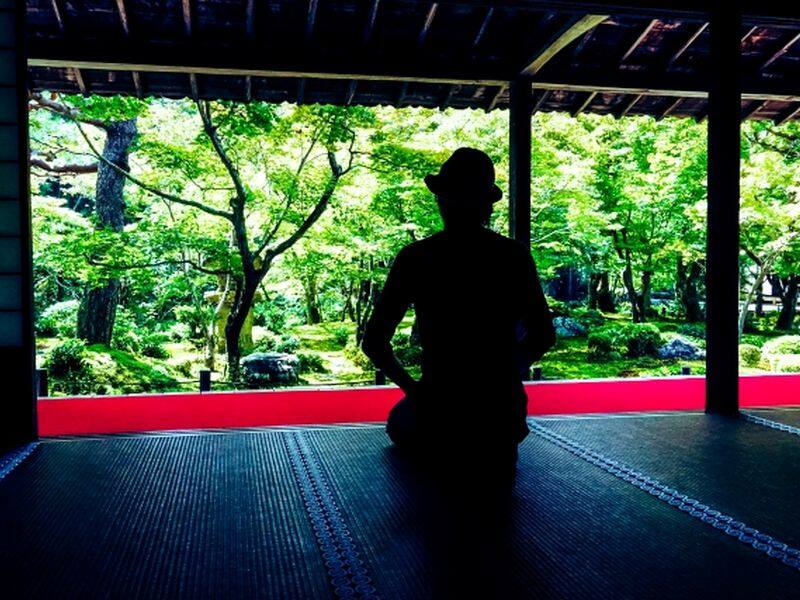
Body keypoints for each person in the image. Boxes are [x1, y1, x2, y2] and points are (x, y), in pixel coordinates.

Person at [362, 147, 555, 477]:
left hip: (438, 407)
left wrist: (415, 391)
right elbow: (543, 335)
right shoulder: (512, 256)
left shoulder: (416, 257)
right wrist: (504, 374)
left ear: (441, 200)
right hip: (500, 414)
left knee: (402, 426)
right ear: (487, 206)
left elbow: (374, 342)